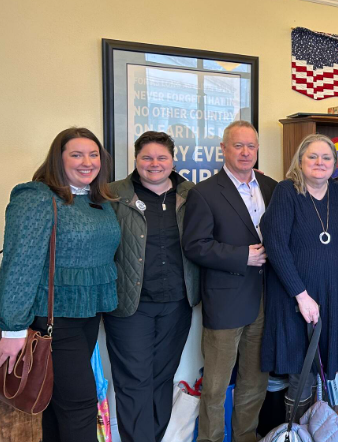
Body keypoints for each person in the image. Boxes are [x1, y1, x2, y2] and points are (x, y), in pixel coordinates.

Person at [0, 127, 120, 441]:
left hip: (88, 316)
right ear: (58, 159)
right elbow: (20, 264)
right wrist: (12, 329)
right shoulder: (37, 197)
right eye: (76, 154)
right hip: (53, 320)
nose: (86, 162)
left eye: (93, 155)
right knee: (80, 405)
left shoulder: (97, 199)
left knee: (56, 403)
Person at [182, 120, 277, 442]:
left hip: (265, 297)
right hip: (225, 300)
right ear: (223, 149)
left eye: (251, 146)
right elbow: (195, 246)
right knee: (216, 385)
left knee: (255, 381)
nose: (246, 152)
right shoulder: (204, 193)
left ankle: (246, 437)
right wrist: (241, 256)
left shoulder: (271, 187)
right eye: (238, 145)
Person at [104, 131, 200, 442]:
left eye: (162, 157)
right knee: (134, 382)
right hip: (130, 305)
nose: (154, 163)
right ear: (136, 159)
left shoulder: (191, 195)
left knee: (161, 380)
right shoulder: (113, 194)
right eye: (147, 157)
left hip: (177, 303)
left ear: (173, 161)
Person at [260, 134, 338, 421]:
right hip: (294, 294)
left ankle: (319, 429)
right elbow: (275, 244)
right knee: (302, 369)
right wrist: (301, 296)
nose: (320, 163)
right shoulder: (287, 191)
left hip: (330, 292)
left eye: (326, 157)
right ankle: (294, 431)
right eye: (312, 156)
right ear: (300, 161)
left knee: (324, 368)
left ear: (335, 164)